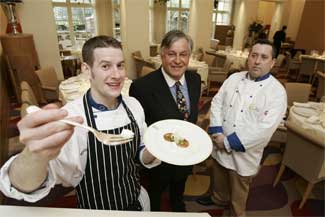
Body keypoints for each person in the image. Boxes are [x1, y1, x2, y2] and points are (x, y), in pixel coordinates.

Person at [0, 35, 160, 210]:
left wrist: (157, 150)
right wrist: (34, 155)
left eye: (120, 65)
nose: (117, 75)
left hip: (138, 202)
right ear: (86, 69)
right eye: (105, 66)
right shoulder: (72, 117)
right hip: (96, 210)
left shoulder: (134, 105)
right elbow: (28, 183)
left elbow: (138, 153)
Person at [196, 39, 287, 216]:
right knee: (219, 176)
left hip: (244, 153)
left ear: (273, 62)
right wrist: (216, 131)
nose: (257, 61)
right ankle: (218, 198)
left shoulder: (277, 92)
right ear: (248, 57)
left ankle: (236, 212)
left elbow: (264, 130)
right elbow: (216, 103)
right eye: (254, 55)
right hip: (219, 140)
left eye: (263, 57)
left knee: (239, 190)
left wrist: (228, 142)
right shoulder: (234, 78)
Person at [129, 30, 201, 212]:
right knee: (155, 196)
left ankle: (178, 206)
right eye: (172, 54)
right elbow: (139, 129)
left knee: (179, 192)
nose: (178, 60)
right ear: (162, 55)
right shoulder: (142, 87)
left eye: (183, 54)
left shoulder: (195, 79)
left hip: (186, 154)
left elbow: (191, 116)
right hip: (157, 162)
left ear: (189, 56)